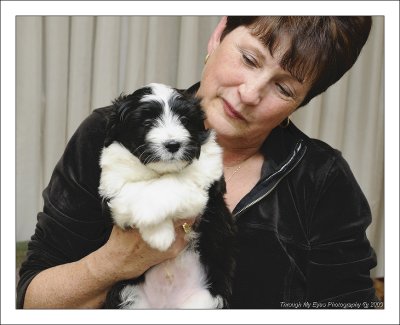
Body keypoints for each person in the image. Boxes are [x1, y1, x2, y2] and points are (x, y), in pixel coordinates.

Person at [17, 16, 379, 309]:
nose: (250, 93)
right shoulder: (109, 133)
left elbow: (349, 309)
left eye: (284, 88)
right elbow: (33, 300)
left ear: (300, 102)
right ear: (219, 34)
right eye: (249, 58)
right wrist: (113, 262)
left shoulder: (322, 178)